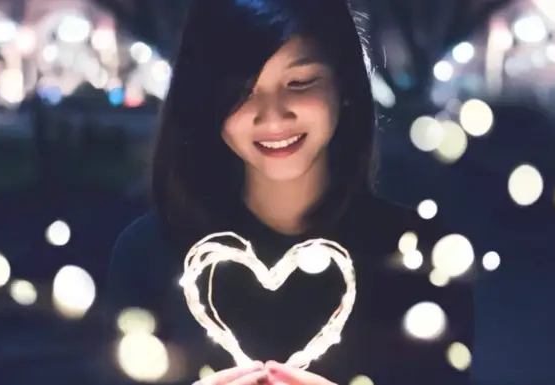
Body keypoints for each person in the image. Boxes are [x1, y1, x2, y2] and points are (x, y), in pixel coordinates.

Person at [105, 0, 474, 384]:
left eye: (299, 83)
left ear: (344, 84)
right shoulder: (147, 256)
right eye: (243, 91)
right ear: (206, 101)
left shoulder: (418, 259)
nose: (273, 115)